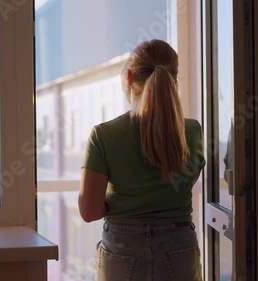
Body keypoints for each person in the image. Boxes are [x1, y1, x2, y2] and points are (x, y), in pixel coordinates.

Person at [78, 39, 205, 281]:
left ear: (128, 78)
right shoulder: (193, 131)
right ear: (174, 79)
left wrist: (125, 201)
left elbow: (90, 210)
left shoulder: (104, 135)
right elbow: (185, 183)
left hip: (123, 249)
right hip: (179, 248)